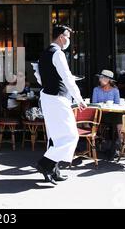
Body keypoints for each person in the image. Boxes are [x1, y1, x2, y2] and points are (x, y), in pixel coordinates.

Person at [36, 25, 87, 185]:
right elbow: (67, 78)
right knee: (72, 135)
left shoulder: (44, 53)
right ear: (60, 37)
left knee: (55, 138)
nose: (69, 40)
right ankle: (45, 164)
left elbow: (40, 78)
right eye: (68, 37)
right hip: (57, 98)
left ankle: (54, 170)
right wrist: (79, 99)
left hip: (47, 97)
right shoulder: (58, 53)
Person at [92, 70, 123, 160]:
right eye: (100, 78)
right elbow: (94, 104)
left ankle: (116, 144)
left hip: (111, 114)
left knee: (118, 116)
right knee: (117, 119)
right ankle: (118, 145)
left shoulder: (115, 90)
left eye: (102, 78)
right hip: (100, 115)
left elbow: (117, 104)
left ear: (108, 80)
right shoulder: (96, 90)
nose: (100, 80)